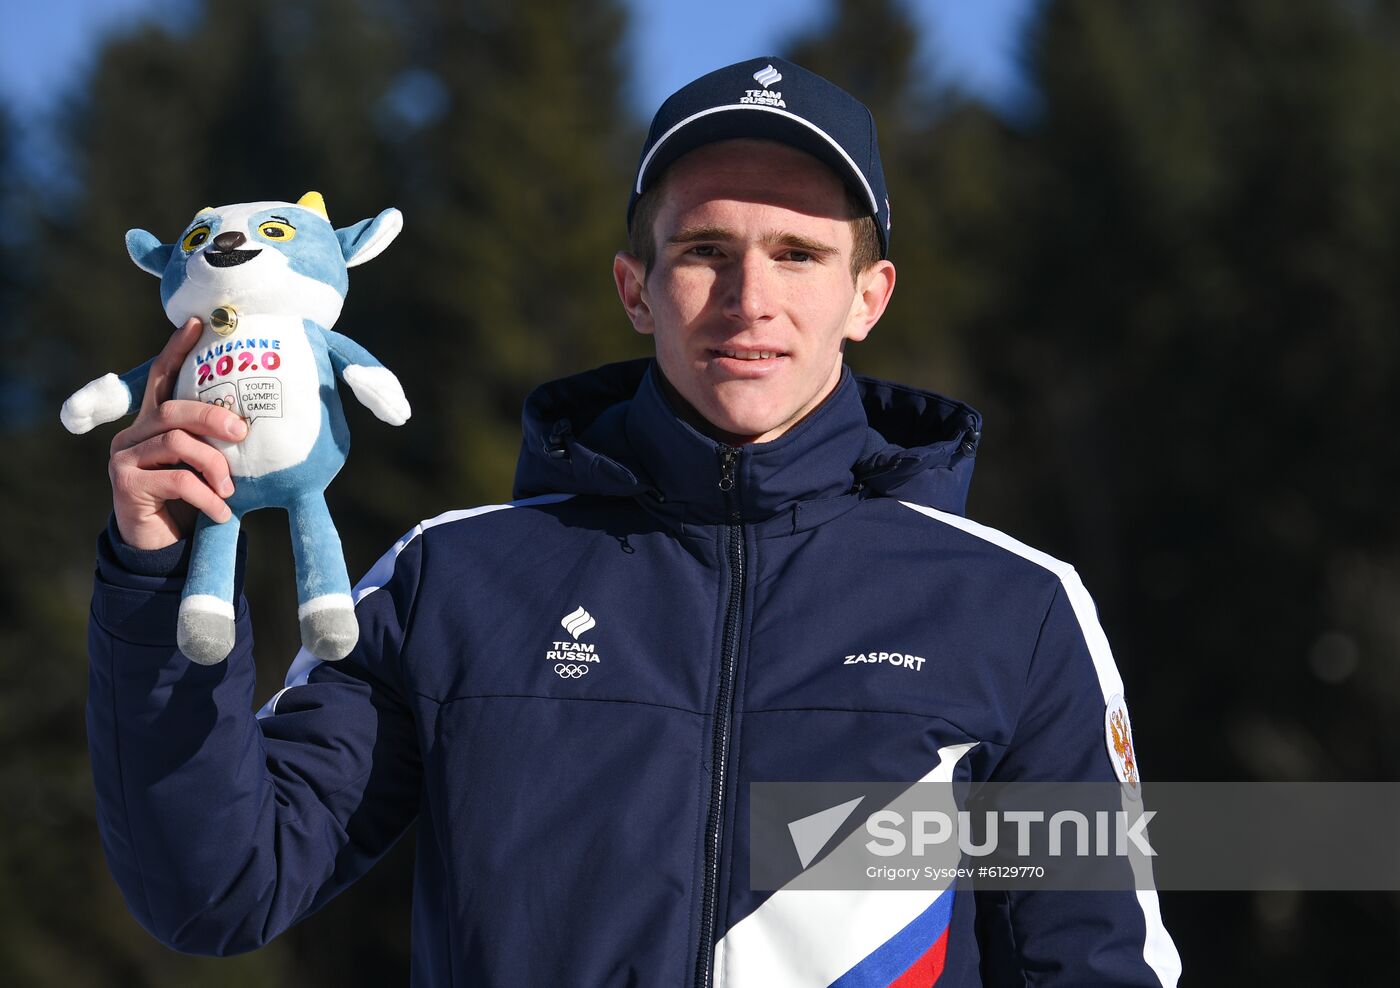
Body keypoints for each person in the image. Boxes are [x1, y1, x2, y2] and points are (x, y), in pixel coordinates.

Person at [87, 57, 1182, 986]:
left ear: (868, 295)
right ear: (634, 287)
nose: (748, 298)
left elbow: (1093, 962)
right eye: (705, 250)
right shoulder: (453, 582)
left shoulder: (1013, 609)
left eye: (797, 254)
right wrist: (155, 577)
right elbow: (221, 886)